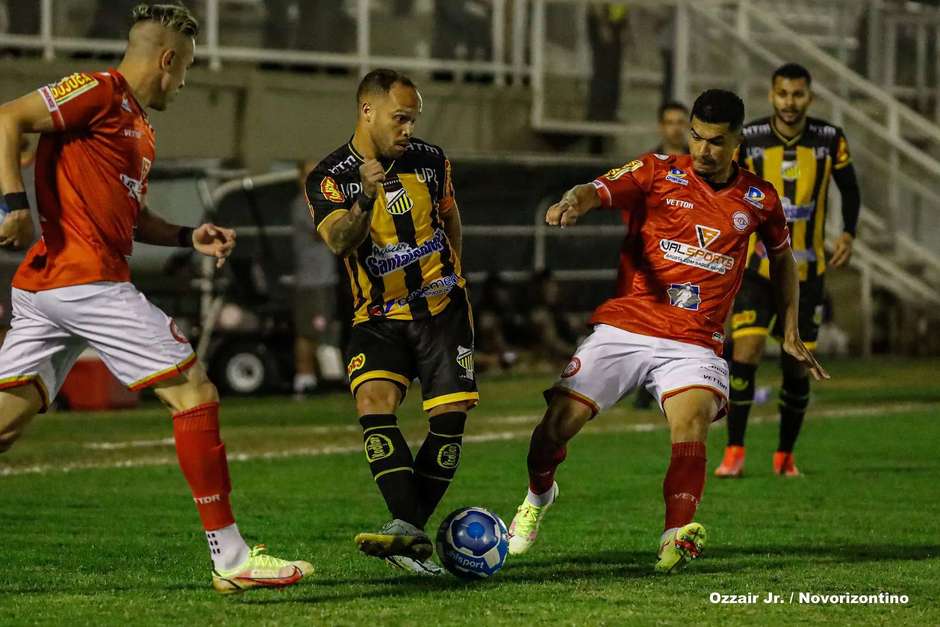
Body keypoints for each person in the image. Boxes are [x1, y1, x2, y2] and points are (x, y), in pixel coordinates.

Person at [0, 3, 311, 594]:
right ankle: (232, 557)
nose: (186, 81)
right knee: (195, 392)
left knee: (5, 426)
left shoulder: (138, 128)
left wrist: (186, 236)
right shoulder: (97, 90)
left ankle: (232, 558)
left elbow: (130, 217)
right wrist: (12, 204)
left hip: (56, 289)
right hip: (85, 280)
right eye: (187, 67)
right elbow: (7, 118)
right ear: (167, 59)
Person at [505, 89, 828, 573]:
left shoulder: (759, 199)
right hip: (627, 326)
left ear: (738, 140)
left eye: (716, 142)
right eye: (697, 137)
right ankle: (537, 496)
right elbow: (598, 188)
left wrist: (790, 329)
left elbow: (783, 259)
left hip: (694, 342)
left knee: (691, 423)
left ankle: (674, 536)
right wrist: (575, 201)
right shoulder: (657, 170)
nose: (703, 150)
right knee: (555, 428)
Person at [306, 69, 477, 575]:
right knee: (372, 403)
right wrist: (364, 196)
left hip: (442, 312)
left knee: (448, 422)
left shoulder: (430, 160)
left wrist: (456, 274)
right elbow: (339, 240)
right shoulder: (329, 176)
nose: (408, 128)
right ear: (368, 112)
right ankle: (411, 534)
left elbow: (450, 217)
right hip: (377, 316)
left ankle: (406, 532)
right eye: (400, 118)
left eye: (413, 119)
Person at [715, 63, 860, 479]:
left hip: (808, 270)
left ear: (809, 97)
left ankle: (784, 456)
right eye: (783, 94)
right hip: (758, 267)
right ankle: (735, 452)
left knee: (797, 363)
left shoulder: (830, 139)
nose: (790, 103)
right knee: (746, 351)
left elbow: (849, 187)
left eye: (798, 95)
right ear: (772, 95)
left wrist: (848, 233)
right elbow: (726, 189)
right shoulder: (751, 140)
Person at [292, 159, 338, 398]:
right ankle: (304, 378)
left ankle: (326, 378)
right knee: (307, 332)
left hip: (325, 279)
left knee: (326, 329)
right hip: (311, 281)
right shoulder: (303, 206)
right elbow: (325, 231)